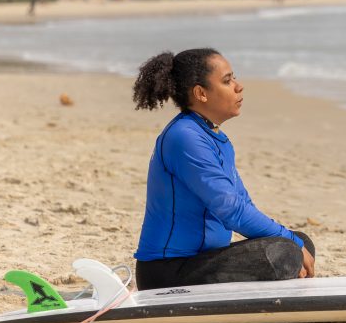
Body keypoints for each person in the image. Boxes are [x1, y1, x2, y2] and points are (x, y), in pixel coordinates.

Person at [131, 48, 315, 290]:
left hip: (203, 261)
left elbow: (243, 204)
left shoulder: (215, 137)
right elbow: (231, 211)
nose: (238, 87)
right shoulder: (184, 137)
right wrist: (288, 243)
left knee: (301, 242)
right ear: (201, 93)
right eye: (227, 81)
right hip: (168, 272)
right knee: (286, 251)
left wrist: (292, 240)